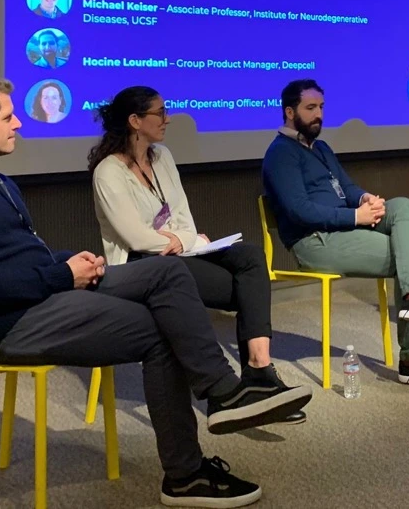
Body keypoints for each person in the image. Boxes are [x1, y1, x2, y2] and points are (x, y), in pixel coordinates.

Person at [0, 77, 311, 507]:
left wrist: (71, 262)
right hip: (11, 323)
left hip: (45, 294)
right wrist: (61, 276)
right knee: (164, 330)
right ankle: (190, 466)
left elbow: (20, 255)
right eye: (8, 117)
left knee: (166, 275)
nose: (19, 124)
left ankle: (223, 396)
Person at [91, 86, 306, 424]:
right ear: (135, 121)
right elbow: (133, 237)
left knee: (249, 256)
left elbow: (185, 220)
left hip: (180, 253)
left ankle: (259, 369)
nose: (168, 118)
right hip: (138, 266)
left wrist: (179, 238)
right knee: (244, 291)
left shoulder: (162, 157)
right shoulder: (108, 172)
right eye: (159, 113)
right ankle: (247, 387)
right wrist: (177, 239)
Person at [262, 79, 409, 387]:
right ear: (290, 112)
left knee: (402, 206)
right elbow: (299, 211)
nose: (318, 114)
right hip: (315, 241)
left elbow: (346, 186)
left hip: (345, 226)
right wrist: (355, 215)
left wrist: (364, 198)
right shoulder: (280, 154)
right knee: (404, 256)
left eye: (321, 107)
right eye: (310, 108)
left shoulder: (322, 148)